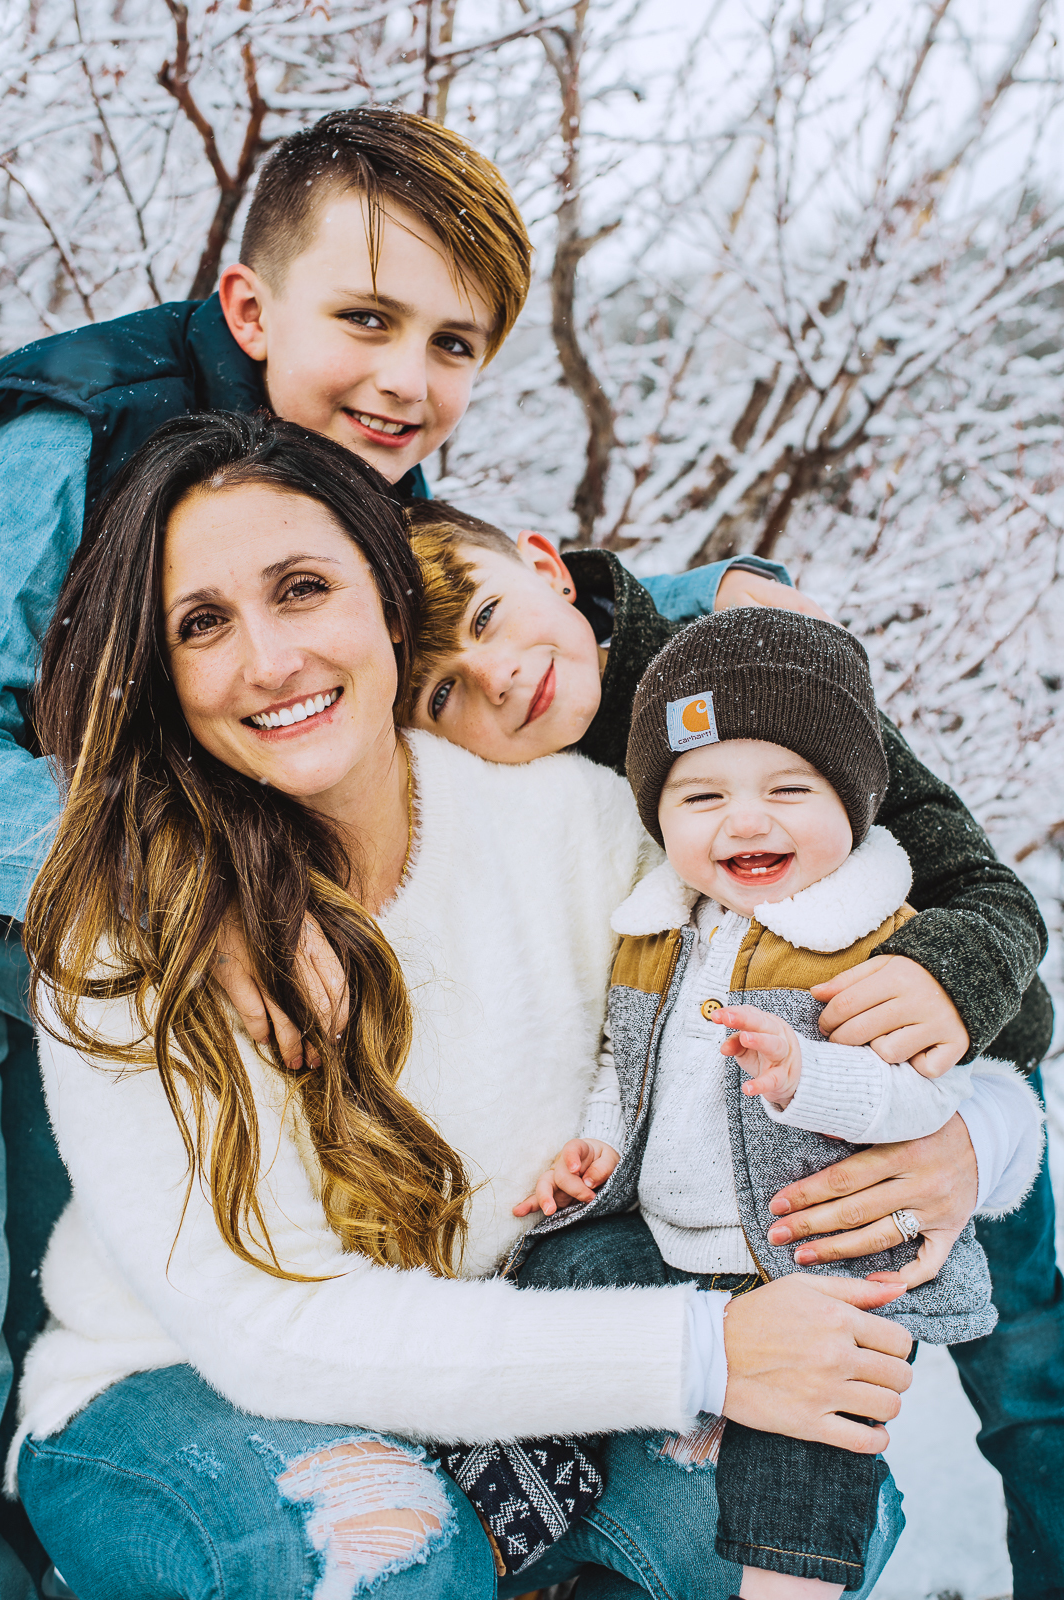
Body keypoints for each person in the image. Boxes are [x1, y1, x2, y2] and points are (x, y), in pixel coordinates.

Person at [12, 412, 925, 1600]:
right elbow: (264, 1325)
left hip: (503, 1370)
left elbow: (831, 962)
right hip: (172, 1383)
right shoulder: (127, 926)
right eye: (202, 624)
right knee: (376, 1549)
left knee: (782, 1518)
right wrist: (702, 1350)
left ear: (391, 605)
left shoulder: (573, 827)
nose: (270, 660)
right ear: (164, 669)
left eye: (302, 588)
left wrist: (966, 1146)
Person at [406, 504, 1063, 1598]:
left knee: (1032, 1376)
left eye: (488, 616)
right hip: (736, 1163)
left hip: (915, 1052)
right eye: (440, 691)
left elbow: (986, 891)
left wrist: (948, 987)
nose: (499, 676)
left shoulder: (737, 675)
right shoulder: (506, 797)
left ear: (542, 566)